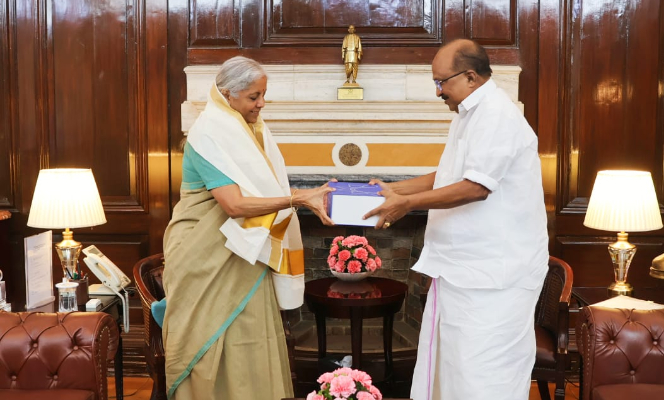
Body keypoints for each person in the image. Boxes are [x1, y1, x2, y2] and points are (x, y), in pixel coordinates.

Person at [363, 39, 549, 399]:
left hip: (494, 276)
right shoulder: (469, 113)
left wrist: (407, 205)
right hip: (464, 270)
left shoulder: (496, 114)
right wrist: (395, 189)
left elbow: (476, 187)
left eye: (441, 82)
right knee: (455, 371)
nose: (437, 92)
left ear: (469, 77)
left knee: (483, 376)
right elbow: (450, 175)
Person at [162, 56, 334, 400]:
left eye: (263, 95)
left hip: (245, 250)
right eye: (254, 96)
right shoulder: (209, 134)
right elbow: (235, 205)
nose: (261, 103)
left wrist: (297, 198)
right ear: (228, 94)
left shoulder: (249, 130)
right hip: (204, 255)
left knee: (253, 333)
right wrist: (296, 200)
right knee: (211, 338)